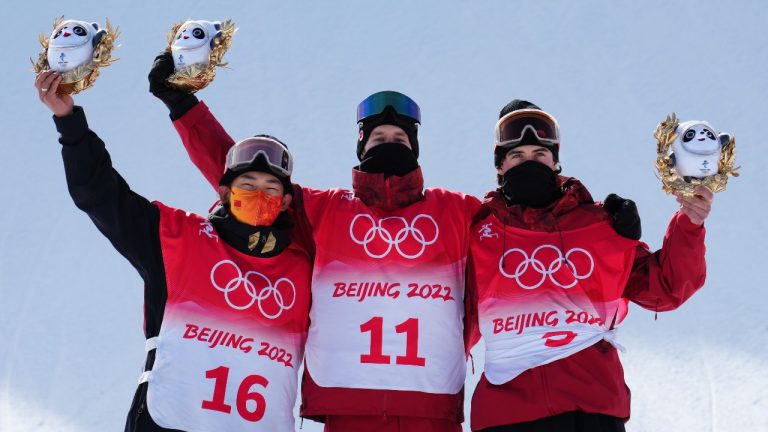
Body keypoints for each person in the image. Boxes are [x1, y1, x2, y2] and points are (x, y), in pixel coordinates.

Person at [148, 52, 481, 431]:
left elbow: (520, 231)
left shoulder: (456, 212)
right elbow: (249, 180)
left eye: (400, 138)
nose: (389, 143)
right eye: (378, 137)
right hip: (346, 409)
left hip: (431, 409)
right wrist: (182, 105)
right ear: (361, 146)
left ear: (415, 147)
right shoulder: (326, 212)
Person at [36, 69, 312, 432]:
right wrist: (69, 122)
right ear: (226, 193)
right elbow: (100, 196)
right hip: (168, 420)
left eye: (270, 188)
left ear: (287, 201)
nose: (258, 194)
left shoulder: (305, 270)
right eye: (247, 184)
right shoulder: (179, 238)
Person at [467, 99, 712, 431]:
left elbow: (664, 289)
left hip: (590, 410)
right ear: (499, 166)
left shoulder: (598, 225)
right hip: (507, 415)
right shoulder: (478, 232)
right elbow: (445, 317)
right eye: (518, 156)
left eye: (540, 155)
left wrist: (689, 224)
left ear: (555, 162)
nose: (530, 163)